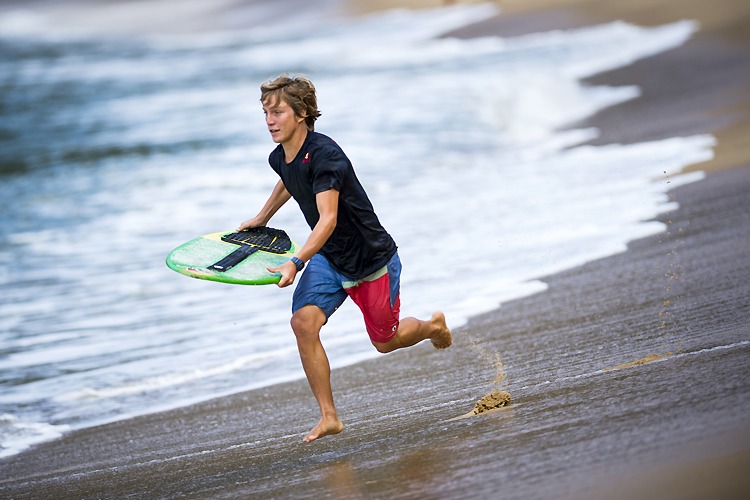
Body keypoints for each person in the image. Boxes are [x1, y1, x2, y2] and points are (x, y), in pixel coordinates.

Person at [238, 74, 452, 443]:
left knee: (385, 343)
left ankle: (433, 327)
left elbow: (329, 219)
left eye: (278, 112)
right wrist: (262, 218)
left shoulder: (327, 156)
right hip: (330, 259)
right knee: (303, 324)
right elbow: (291, 179)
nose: (270, 121)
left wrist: (297, 261)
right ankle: (329, 416)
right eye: (265, 113)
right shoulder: (280, 156)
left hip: (371, 261)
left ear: (301, 113)